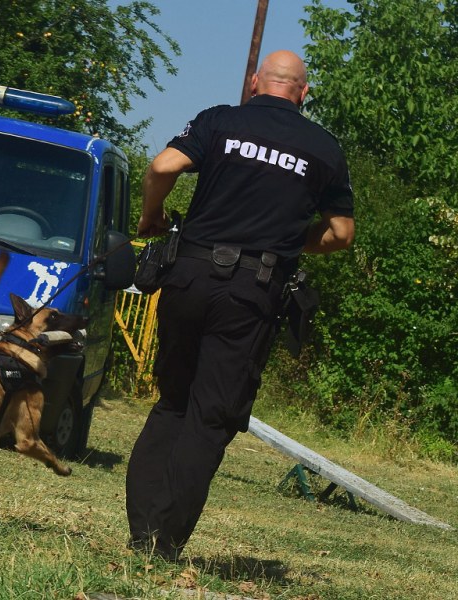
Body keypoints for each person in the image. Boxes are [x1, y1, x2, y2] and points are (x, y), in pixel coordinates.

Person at [125, 50, 355, 561]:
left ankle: (141, 534)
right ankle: (166, 546)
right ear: (304, 91)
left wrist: (152, 215)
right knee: (210, 417)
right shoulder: (324, 148)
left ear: (256, 82)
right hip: (253, 290)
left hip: (188, 276)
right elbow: (341, 233)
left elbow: (163, 165)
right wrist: (294, 241)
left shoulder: (219, 120)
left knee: (172, 402)